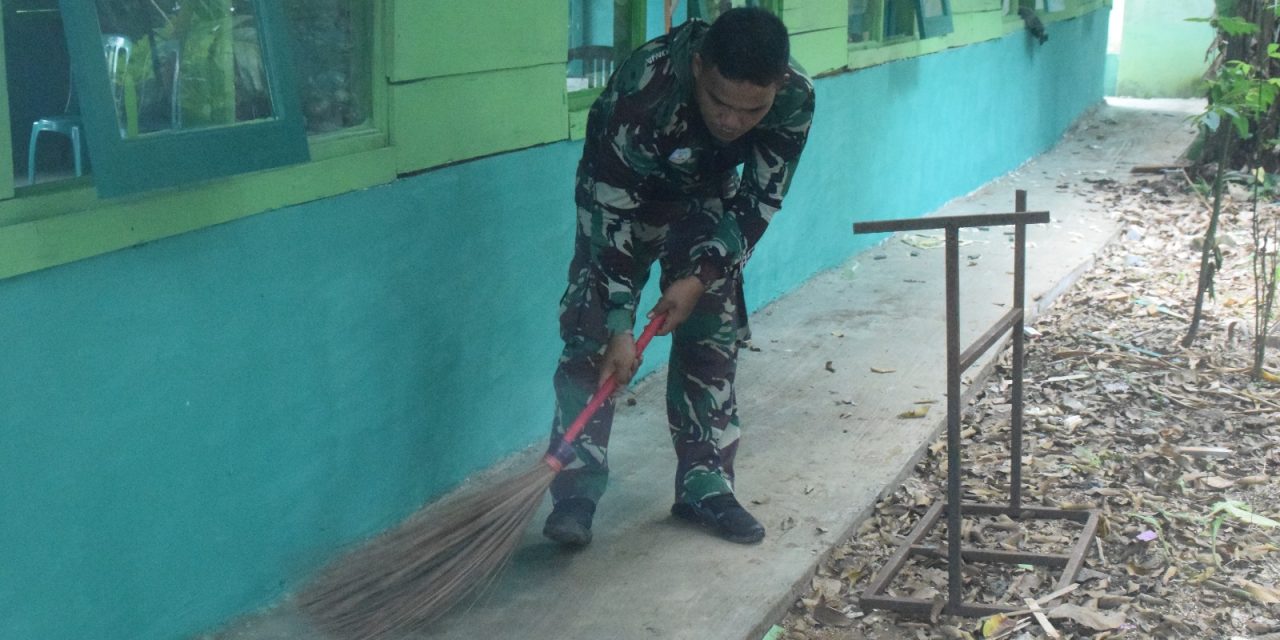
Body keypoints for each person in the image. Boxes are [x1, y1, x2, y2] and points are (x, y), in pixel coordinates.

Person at [543, 7, 814, 546]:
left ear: (777, 85)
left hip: (708, 201)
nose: (733, 121)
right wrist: (621, 322)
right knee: (594, 330)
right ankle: (574, 492)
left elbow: (761, 198)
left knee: (712, 328)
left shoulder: (793, 100)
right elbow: (610, 215)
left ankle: (704, 485)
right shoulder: (643, 93)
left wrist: (701, 275)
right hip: (622, 198)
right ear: (696, 68)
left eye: (750, 109)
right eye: (719, 102)